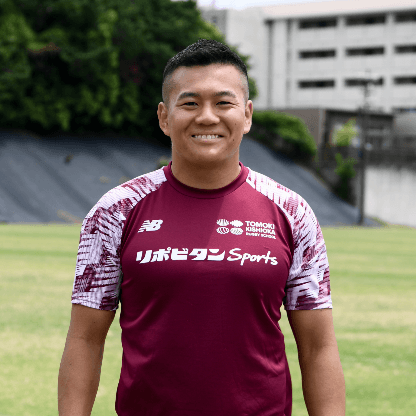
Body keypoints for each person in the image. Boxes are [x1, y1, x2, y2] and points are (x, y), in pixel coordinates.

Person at [58, 39, 345, 416]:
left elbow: (318, 347)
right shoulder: (116, 210)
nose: (207, 117)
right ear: (164, 117)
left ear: (247, 115)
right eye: (190, 103)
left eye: (223, 103)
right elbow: (85, 338)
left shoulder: (292, 212)